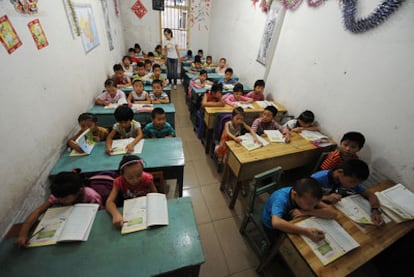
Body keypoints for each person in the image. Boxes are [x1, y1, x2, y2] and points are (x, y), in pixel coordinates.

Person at [16, 172, 103, 247]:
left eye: (65, 199)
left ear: (79, 191)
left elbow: (99, 219)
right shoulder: (60, 195)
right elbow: (38, 211)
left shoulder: (92, 197)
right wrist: (22, 234)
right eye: (59, 198)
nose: (61, 201)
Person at [262, 177, 337, 244]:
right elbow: (276, 223)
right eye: (309, 204)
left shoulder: (308, 198)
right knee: (284, 244)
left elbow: (333, 213)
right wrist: (306, 232)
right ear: (295, 194)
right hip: (270, 226)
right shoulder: (281, 199)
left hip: (289, 219)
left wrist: (307, 212)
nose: (312, 207)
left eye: (315, 204)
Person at [311, 159, 384, 226]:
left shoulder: (350, 180)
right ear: (340, 172)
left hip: (333, 209)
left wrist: (375, 210)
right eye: (352, 182)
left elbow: (370, 195)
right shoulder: (318, 178)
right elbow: (303, 197)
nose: (354, 185)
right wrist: (326, 198)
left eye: (357, 183)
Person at [106, 155, 157, 228]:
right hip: (129, 211)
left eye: (139, 175)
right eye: (130, 178)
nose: (135, 180)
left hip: (145, 208)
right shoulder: (119, 182)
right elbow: (109, 202)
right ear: (122, 175)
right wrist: (115, 214)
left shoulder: (147, 178)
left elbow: (155, 195)